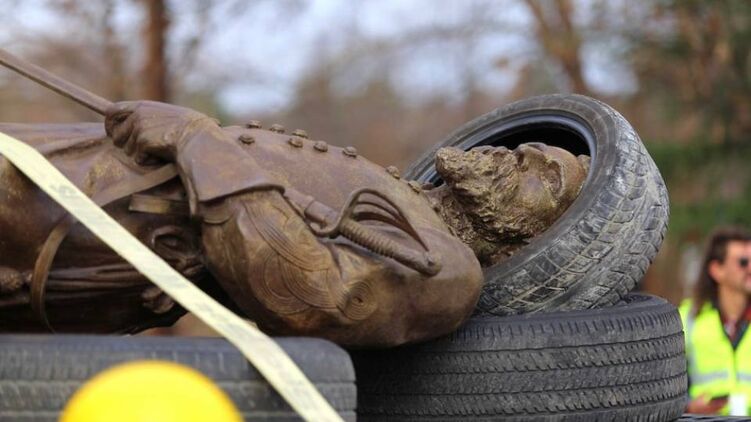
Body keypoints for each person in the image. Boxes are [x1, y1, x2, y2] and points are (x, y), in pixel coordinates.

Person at [0, 101, 586, 347]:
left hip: (88, 237)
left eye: (547, 176)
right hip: (82, 170)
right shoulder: (411, 198)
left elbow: (312, 296)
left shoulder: (451, 272)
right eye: (536, 148)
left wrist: (196, 141)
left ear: (533, 236)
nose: (525, 152)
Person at [680, 227, 751, 415]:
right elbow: (660, 378)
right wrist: (687, 406)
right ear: (717, 270)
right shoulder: (688, 318)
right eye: (743, 262)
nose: (750, 268)